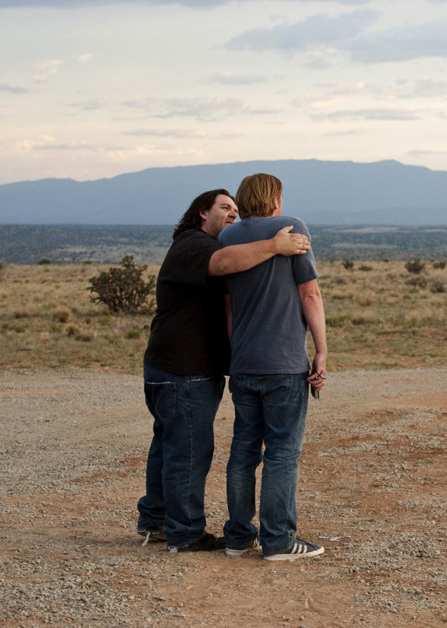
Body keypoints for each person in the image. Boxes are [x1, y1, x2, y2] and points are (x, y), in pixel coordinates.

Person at [137, 189, 310, 553]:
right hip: (185, 369)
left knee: (167, 446)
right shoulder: (195, 245)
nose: (233, 214)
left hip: (168, 365)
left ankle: (157, 520)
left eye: (236, 209)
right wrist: (275, 246)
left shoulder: (196, 245)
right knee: (189, 450)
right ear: (203, 213)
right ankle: (185, 533)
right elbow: (224, 264)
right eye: (224, 208)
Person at [218, 173, 328, 562]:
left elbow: (229, 307)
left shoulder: (228, 237)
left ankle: (237, 536)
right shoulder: (291, 228)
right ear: (276, 198)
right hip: (283, 362)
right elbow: (309, 293)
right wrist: (322, 351)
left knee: (243, 451)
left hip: (244, 362)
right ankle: (278, 541)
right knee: (282, 452)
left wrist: (237, 354)